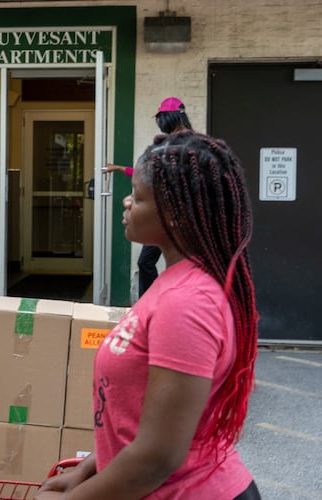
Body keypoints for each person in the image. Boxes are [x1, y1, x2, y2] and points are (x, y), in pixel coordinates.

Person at [37, 131, 261, 499]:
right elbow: (144, 418)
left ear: (175, 214)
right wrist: (92, 467)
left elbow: (157, 458)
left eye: (138, 197)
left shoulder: (188, 302)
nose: (126, 202)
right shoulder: (174, 279)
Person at [105, 97, 193, 298]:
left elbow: (154, 176)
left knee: (156, 262)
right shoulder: (178, 140)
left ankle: (154, 300)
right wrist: (119, 168)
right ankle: (153, 299)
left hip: (170, 215)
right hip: (166, 215)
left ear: (168, 117)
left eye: (160, 118)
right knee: (150, 261)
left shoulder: (181, 144)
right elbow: (150, 174)